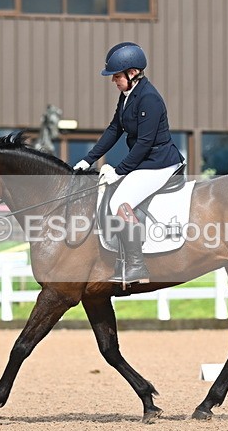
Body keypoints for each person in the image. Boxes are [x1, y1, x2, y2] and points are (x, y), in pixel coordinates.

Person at [74, 42, 184, 285]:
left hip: (158, 163)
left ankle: (136, 265)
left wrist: (120, 170)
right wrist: (87, 159)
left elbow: (144, 143)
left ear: (132, 73)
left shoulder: (149, 99)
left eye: (116, 76)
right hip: (145, 161)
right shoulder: (128, 96)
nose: (113, 80)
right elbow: (115, 129)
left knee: (119, 201)